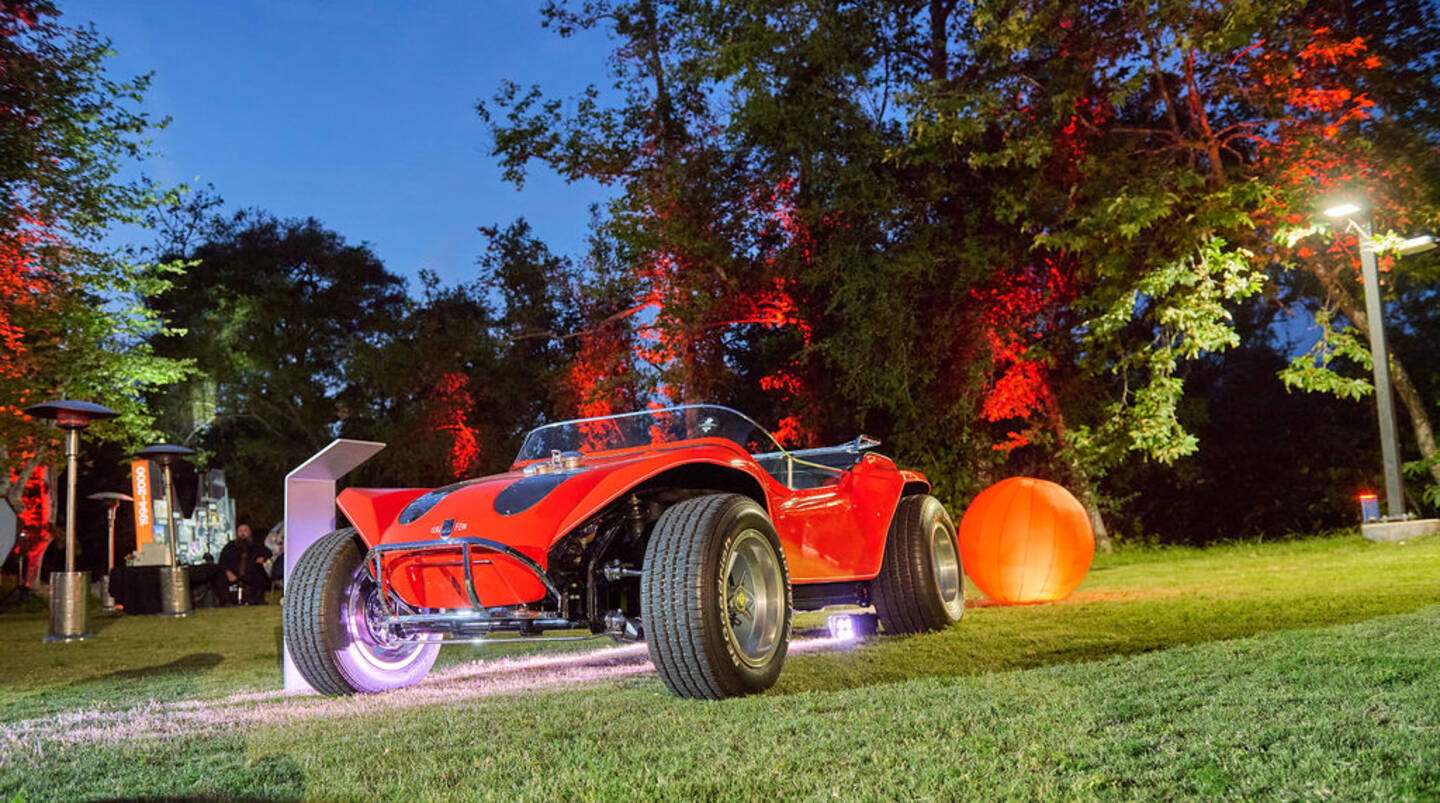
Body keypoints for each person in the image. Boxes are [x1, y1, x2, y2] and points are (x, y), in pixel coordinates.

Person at [214, 521, 272, 605]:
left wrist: (263, 558)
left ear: (250, 532)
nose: (243, 534)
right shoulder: (230, 546)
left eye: (245, 530)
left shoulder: (256, 546)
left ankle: (256, 600)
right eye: (240, 531)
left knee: (260, 574)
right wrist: (228, 572)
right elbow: (222, 561)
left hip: (251, 573)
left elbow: (268, 553)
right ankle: (226, 601)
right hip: (233, 573)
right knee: (219, 576)